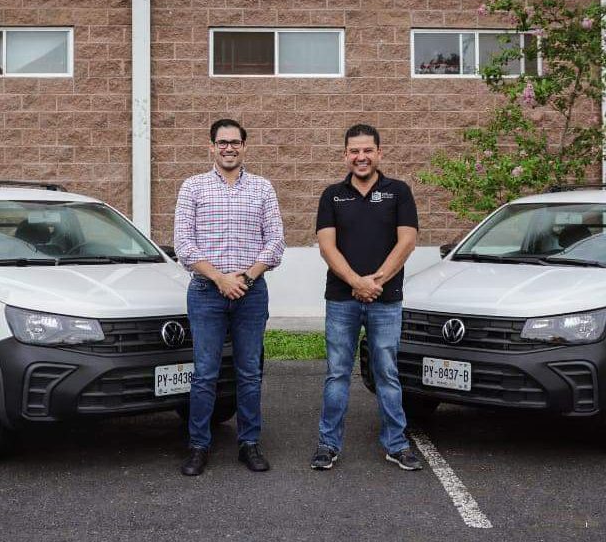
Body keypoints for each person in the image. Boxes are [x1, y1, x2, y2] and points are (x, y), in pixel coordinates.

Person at [173, 118, 285, 476]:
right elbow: (184, 246)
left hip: (251, 294)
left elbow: (276, 243)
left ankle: (249, 444)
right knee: (205, 373)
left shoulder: (263, 189)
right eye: (222, 142)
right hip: (206, 292)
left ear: (244, 147)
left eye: (235, 142)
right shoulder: (193, 188)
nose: (229, 148)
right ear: (211, 147)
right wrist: (220, 279)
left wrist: (245, 279)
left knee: (249, 372)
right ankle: (198, 446)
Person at [310, 124, 423, 471]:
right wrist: (356, 282)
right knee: (337, 374)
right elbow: (327, 246)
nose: (361, 157)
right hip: (342, 300)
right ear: (345, 155)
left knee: (387, 372)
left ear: (379, 153)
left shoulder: (399, 192)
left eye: (368, 150)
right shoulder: (332, 195)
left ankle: (396, 444)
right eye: (354, 151)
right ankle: (328, 445)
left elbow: (407, 241)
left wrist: (376, 281)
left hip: (386, 300)